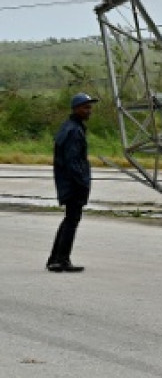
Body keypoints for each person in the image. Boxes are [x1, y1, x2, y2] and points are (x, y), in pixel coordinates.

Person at [47, 92, 97, 273]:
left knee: (69, 219)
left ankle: (55, 258)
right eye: (86, 107)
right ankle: (61, 260)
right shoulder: (74, 131)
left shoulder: (69, 127)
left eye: (90, 107)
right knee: (72, 220)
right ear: (76, 109)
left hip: (67, 181)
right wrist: (83, 182)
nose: (89, 111)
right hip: (72, 183)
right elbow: (73, 161)